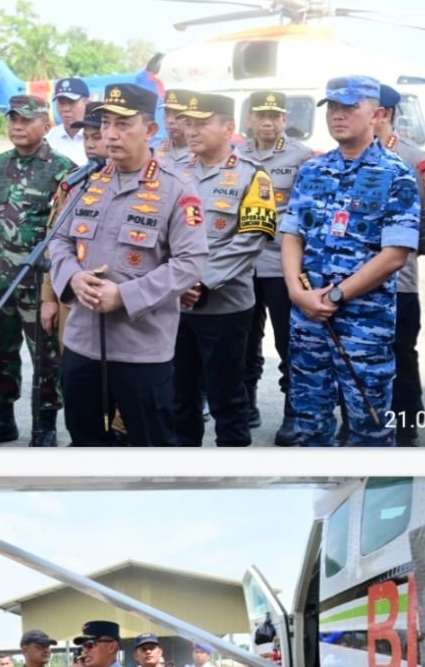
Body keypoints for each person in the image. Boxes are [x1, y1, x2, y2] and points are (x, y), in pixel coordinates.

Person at [49, 83, 209, 447]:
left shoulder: (176, 188)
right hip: (81, 343)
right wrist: (72, 277)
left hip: (142, 350)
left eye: (123, 124)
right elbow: (58, 240)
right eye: (105, 123)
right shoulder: (86, 181)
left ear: (150, 130)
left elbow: (191, 261)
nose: (110, 134)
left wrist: (125, 295)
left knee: (149, 451)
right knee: (86, 444)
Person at [280, 75, 421, 446]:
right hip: (307, 319)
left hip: (363, 326)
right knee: (309, 423)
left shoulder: (395, 173)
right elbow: (292, 234)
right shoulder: (313, 170)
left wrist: (335, 297)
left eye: (349, 107)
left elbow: (395, 255)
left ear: (376, 114)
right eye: (333, 108)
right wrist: (296, 292)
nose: (338, 116)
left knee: (369, 425)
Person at [0, 94, 76, 448]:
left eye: (27, 119)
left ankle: (45, 426)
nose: (17, 125)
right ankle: (3, 420)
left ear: (46, 126)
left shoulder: (64, 170)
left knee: (46, 356)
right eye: (13, 118)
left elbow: (67, 232)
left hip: (39, 283)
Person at [174, 92, 277, 447]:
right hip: (174, 305)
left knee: (227, 400)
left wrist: (199, 281)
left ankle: (233, 476)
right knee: (179, 398)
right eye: (188, 123)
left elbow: (252, 239)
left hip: (225, 307)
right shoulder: (173, 172)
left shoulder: (252, 176)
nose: (192, 130)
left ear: (229, 128)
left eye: (202, 122)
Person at [373, 85, 425, 447]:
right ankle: (355, 423)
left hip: (398, 282)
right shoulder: (336, 161)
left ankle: (406, 425)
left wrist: (406, 251)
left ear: (382, 114)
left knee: (400, 352)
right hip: (346, 279)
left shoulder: (415, 159)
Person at [241, 90, 313, 445]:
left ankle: (293, 411)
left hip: (280, 264)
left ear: (285, 120)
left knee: (289, 341)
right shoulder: (234, 154)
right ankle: (246, 403)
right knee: (243, 339)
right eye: (261, 115)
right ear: (250, 119)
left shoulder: (302, 157)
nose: (268, 121)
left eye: (275, 115)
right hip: (241, 265)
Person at [41, 101, 105, 349]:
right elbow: (54, 240)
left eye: (97, 136)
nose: (90, 144)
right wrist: (48, 297)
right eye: (86, 137)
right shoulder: (73, 181)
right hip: (72, 295)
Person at [46, 77, 90, 166]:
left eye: (71, 102)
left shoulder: (100, 138)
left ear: (87, 103)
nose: (65, 109)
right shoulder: (49, 138)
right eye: (61, 102)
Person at [155, 89, 192, 166]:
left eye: (178, 114)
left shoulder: (204, 153)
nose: (170, 121)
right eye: (166, 113)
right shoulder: (154, 151)